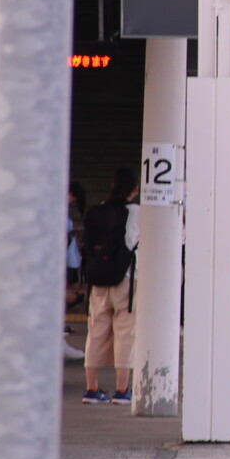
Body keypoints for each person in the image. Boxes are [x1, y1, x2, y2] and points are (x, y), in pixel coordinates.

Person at [81, 167, 139, 406]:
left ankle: (92, 389)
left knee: (96, 331)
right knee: (125, 333)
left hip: (98, 280)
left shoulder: (97, 211)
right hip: (125, 279)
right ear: (134, 189)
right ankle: (122, 390)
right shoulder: (135, 213)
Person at [63, 181, 87, 360]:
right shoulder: (58, 211)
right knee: (63, 296)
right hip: (64, 260)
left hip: (69, 260)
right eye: (72, 197)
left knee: (66, 294)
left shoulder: (63, 211)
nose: (72, 201)